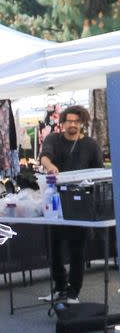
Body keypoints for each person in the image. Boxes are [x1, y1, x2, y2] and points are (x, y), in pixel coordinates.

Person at [39, 104, 104, 303]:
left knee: (77, 249)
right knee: (54, 248)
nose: (72, 125)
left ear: (82, 123)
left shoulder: (91, 145)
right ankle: (59, 287)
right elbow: (44, 157)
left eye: (76, 121)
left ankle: (73, 292)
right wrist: (51, 168)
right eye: (69, 121)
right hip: (55, 201)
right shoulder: (53, 139)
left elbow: (99, 173)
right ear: (63, 122)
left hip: (80, 204)